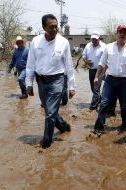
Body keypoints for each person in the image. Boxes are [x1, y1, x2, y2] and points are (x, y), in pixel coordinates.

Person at [26, 14, 76, 149]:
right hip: (41, 81)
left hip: (57, 80)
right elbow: (30, 65)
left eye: (56, 26)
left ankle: (46, 143)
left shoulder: (63, 42)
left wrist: (72, 86)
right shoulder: (35, 42)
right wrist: (29, 84)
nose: (55, 29)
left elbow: (69, 66)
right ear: (44, 27)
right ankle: (63, 126)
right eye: (51, 27)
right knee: (50, 110)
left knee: (49, 113)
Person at [94, 25, 126, 133]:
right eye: (120, 32)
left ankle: (125, 126)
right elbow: (102, 63)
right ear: (116, 34)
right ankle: (99, 127)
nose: (122, 34)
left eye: (125, 32)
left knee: (124, 106)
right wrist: (96, 77)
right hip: (110, 80)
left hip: (125, 81)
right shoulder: (108, 47)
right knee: (104, 103)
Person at [82, 31, 106, 110]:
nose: (94, 41)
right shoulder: (88, 45)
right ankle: (101, 100)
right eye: (92, 39)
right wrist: (86, 61)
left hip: (99, 71)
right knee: (93, 88)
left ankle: (93, 106)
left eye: (95, 39)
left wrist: (104, 72)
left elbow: (107, 60)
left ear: (99, 38)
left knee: (96, 88)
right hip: (91, 70)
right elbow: (84, 55)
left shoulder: (104, 47)